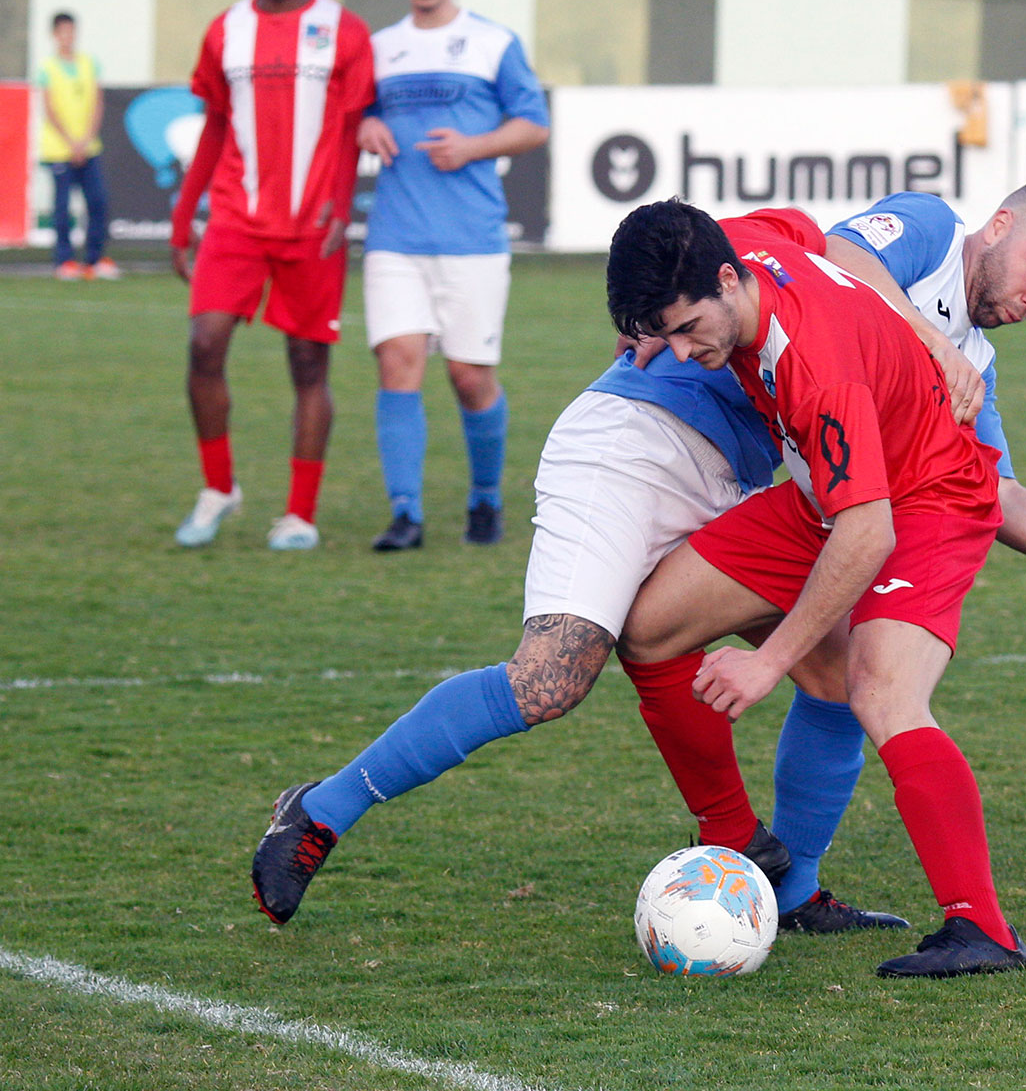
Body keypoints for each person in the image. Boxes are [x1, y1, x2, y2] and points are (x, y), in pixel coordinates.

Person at [606, 198, 1026, 979]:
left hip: (928, 505)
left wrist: (767, 662)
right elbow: (804, 233)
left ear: (730, 284)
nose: (680, 349)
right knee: (648, 630)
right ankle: (739, 839)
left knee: (882, 692)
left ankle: (982, 929)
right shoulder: (771, 252)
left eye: (686, 330)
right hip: (832, 496)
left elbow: (873, 533)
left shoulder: (819, 366)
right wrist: (648, 318)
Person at [249, 322, 907, 935]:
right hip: (632, 445)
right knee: (548, 679)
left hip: (736, 476)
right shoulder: (878, 254)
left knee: (838, 671)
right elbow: (690, 253)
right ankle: (323, 810)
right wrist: (645, 307)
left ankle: (789, 891)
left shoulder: (938, 325)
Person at [168, 0, 375, 551]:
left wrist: (340, 207)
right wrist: (183, 216)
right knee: (204, 343)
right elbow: (214, 128)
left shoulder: (342, 29)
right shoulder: (225, 30)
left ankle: (299, 515)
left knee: (308, 364)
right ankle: (218, 487)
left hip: (312, 226)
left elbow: (351, 128)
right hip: (236, 219)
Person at [357, 0, 550, 552]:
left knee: (469, 376)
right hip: (395, 237)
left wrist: (473, 146)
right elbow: (352, 112)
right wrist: (363, 123)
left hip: (472, 238)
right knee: (398, 363)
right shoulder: (379, 48)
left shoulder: (492, 42)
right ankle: (405, 515)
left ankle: (486, 498)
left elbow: (533, 123)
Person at [36, 12, 115, 282]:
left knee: (98, 201)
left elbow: (97, 103)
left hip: (88, 147)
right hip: (60, 149)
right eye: (63, 32)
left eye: (71, 31)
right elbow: (49, 110)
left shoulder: (89, 63)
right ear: (54, 35)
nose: (68, 37)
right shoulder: (48, 67)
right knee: (62, 207)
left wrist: (85, 139)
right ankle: (64, 260)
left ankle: (94, 258)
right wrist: (71, 142)